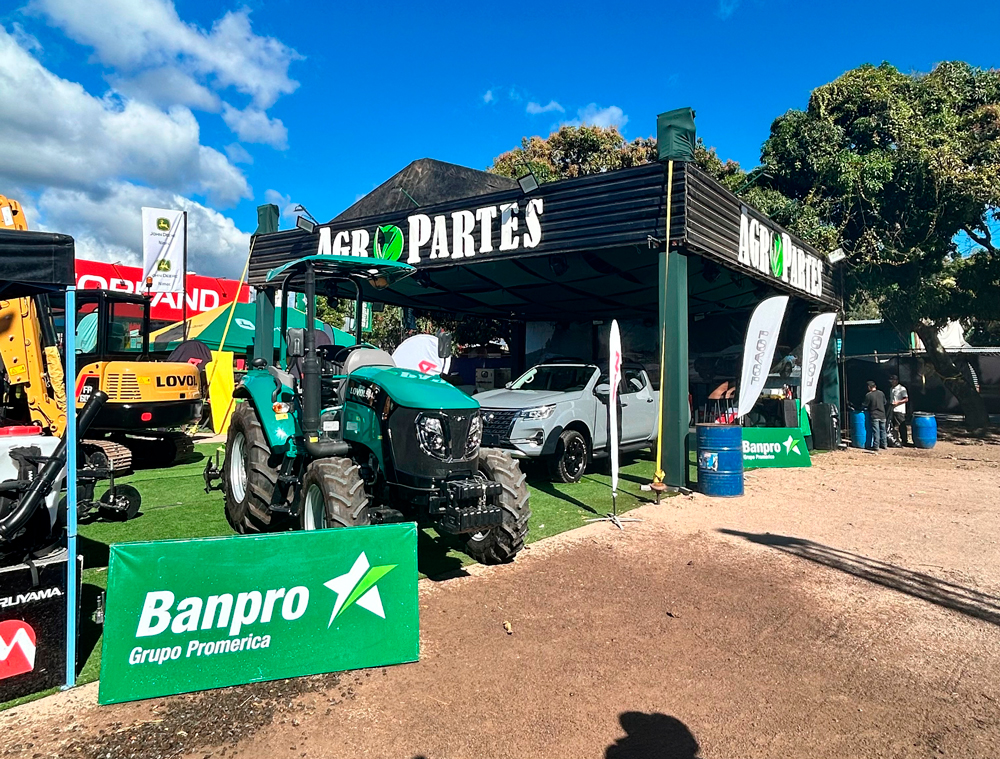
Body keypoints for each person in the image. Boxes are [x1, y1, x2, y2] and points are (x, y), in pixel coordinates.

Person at [863, 380, 887, 451]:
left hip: (874, 415)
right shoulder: (881, 393)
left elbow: (865, 405)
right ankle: (884, 445)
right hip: (882, 414)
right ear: (875, 386)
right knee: (883, 430)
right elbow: (885, 402)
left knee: (876, 431)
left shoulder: (868, 395)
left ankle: (876, 446)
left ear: (869, 387)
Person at [889, 374, 909, 447]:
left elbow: (906, 399)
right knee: (892, 425)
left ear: (896, 381)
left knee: (901, 425)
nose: (891, 382)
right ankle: (894, 439)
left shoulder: (902, 388)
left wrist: (898, 402)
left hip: (899, 410)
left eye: (893, 380)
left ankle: (904, 440)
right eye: (891, 380)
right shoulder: (891, 389)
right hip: (892, 409)